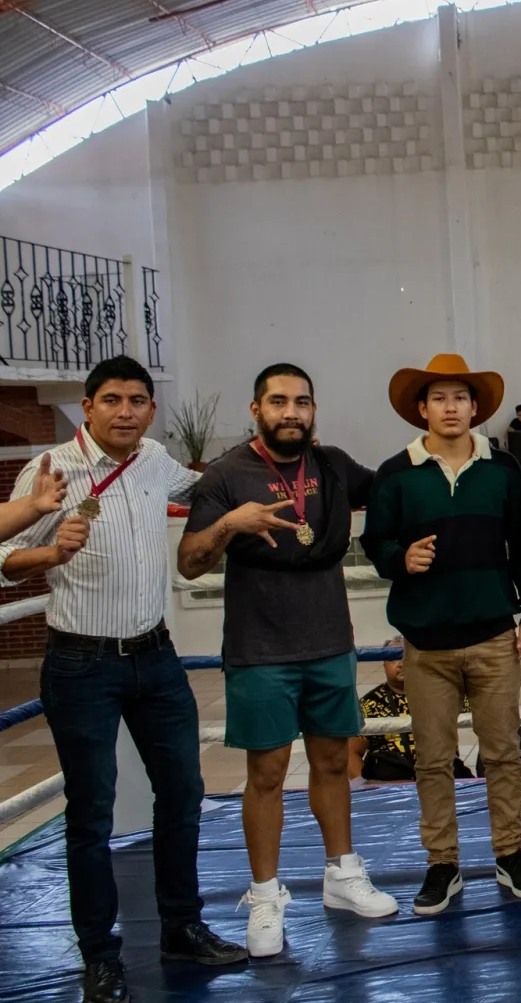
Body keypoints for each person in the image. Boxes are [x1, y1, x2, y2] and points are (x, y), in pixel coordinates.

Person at [0, 356, 247, 1002]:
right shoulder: (51, 467)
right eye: (112, 399)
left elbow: (203, 488)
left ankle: (181, 926)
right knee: (91, 811)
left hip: (155, 657)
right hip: (81, 662)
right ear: (88, 406)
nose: (126, 411)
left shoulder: (156, 460)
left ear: (150, 410)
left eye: (138, 400)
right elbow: (4, 562)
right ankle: (100, 956)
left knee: (184, 795)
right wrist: (51, 551)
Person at [178, 364, 398, 957]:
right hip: (261, 649)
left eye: (302, 402)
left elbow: (393, 488)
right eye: (279, 402)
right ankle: (265, 895)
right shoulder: (227, 474)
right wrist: (230, 522)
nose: (291, 412)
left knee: (333, 761)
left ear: (313, 409)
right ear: (257, 409)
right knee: (268, 774)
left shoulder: (331, 465)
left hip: (329, 640)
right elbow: (190, 563)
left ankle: (341, 874)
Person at [360, 353, 521, 916]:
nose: (450, 408)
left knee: (503, 754)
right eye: (438, 398)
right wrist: (400, 557)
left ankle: (510, 855)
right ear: (422, 409)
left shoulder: (501, 470)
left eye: (460, 398)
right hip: (427, 644)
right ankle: (442, 864)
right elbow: (374, 543)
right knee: (433, 759)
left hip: (494, 636)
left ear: (475, 407)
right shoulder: (395, 473)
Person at [346, 647, 474, 782]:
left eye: (405, 657)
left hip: (443, 772)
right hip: (390, 780)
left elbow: (488, 725)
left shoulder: (444, 695)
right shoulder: (369, 704)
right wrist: (368, 788)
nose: (401, 664)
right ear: (384, 663)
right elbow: (351, 753)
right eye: (393, 659)